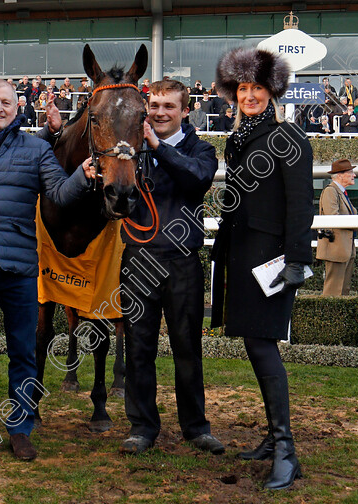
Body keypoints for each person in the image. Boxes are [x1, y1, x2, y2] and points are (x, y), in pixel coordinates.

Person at [0, 79, 95, 462]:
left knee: (23, 353)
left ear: (18, 107)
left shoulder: (36, 148)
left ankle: (21, 427)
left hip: (20, 268)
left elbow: (60, 194)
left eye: (6, 103)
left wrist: (83, 174)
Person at [210, 47, 313, 491]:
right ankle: (274, 439)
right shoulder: (237, 139)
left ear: (272, 91)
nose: (248, 95)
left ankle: (287, 449)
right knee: (255, 345)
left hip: (271, 258)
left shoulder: (289, 138)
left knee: (262, 346)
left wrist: (297, 260)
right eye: (243, 88)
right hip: (243, 253)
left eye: (256, 88)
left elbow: (300, 205)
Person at [118, 77, 221, 457]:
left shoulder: (203, 150)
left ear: (186, 110)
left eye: (169, 107)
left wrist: (157, 147)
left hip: (183, 262)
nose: (160, 113)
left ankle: (195, 427)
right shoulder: (129, 148)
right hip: (138, 260)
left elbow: (197, 180)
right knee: (138, 349)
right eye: (155, 106)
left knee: (187, 349)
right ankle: (142, 427)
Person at [316, 159, 358, 296]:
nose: (354, 175)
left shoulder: (341, 193)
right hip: (336, 249)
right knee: (333, 291)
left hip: (345, 248)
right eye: (351, 172)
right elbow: (333, 218)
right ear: (340, 175)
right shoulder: (331, 191)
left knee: (343, 290)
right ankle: (329, 317)